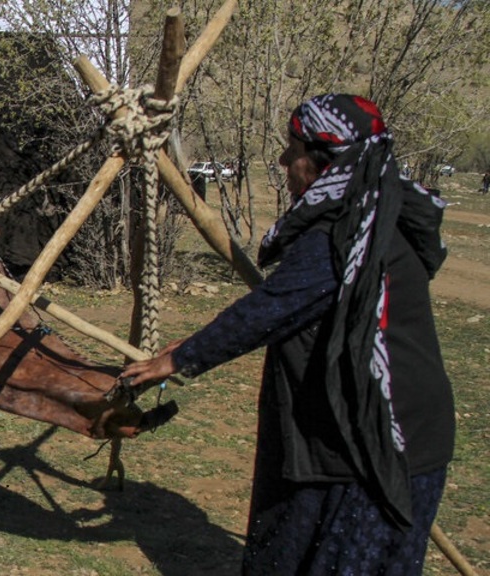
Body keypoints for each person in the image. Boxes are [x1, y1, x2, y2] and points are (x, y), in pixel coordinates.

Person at [122, 94, 454, 575]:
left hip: (376, 439)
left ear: (322, 161)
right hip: (373, 431)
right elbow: (289, 302)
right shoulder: (370, 215)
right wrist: (188, 348)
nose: (283, 161)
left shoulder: (341, 234)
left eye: (292, 148)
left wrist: (179, 359)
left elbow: (271, 308)